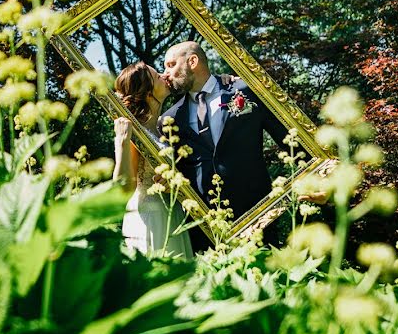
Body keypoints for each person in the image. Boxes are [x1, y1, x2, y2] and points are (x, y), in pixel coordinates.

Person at [160, 41, 290, 251]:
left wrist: (317, 178)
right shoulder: (170, 119)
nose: (165, 73)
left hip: (257, 212)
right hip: (206, 228)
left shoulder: (246, 90)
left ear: (192, 61)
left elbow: (288, 138)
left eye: (171, 65)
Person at [113, 61, 193, 258]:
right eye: (157, 76)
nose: (164, 76)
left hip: (171, 215)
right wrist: (122, 142)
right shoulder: (134, 132)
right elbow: (122, 190)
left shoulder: (161, 128)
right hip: (149, 220)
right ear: (148, 92)